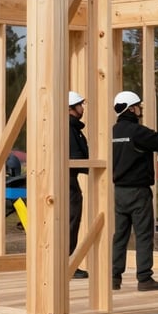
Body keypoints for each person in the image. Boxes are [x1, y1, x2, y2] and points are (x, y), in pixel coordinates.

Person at [111, 90, 158, 291]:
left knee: (120, 235)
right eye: (139, 106)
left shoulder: (114, 131)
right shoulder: (136, 132)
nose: (140, 110)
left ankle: (114, 277)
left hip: (119, 191)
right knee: (143, 235)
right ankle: (144, 278)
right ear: (132, 108)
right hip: (138, 191)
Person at [68, 90, 90, 279]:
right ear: (70, 109)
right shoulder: (69, 129)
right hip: (68, 184)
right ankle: (66, 266)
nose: (82, 108)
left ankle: (64, 264)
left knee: (69, 223)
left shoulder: (73, 128)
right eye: (80, 105)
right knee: (70, 223)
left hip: (68, 182)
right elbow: (76, 158)